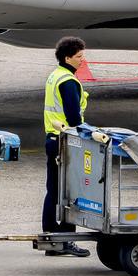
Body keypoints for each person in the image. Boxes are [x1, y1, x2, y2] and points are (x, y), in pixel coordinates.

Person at [42, 36, 91, 257]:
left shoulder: (55, 75)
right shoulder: (68, 82)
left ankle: (51, 238)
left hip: (52, 139)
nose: (83, 60)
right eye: (79, 56)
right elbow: (73, 117)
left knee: (53, 190)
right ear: (67, 57)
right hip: (65, 141)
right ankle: (66, 239)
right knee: (68, 192)